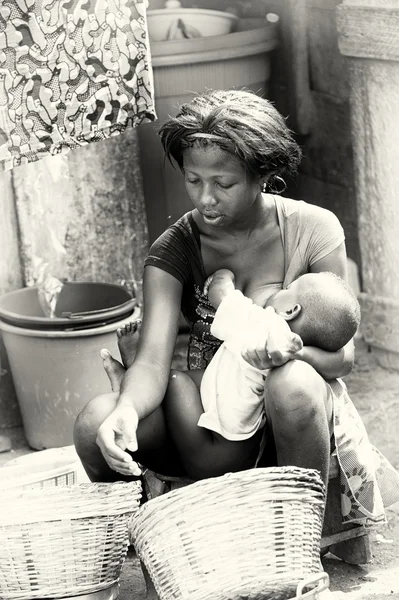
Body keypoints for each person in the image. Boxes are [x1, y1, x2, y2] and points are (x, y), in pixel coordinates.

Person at [74, 89, 399, 529]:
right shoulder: (174, 250)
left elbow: (344, 355)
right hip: (206, 427)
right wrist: (127, 409)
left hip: (290, 425)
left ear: (261, 175)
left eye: (223, 184)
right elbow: (152, 361)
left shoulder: (313, 230)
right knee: (96, 420)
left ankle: (299, 534)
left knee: (294, 383)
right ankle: (142, 535)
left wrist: (283, 351)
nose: (205, 198)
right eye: (193, 180)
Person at [198, 269, 360, 446]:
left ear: (290, 311)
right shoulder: (289, 350)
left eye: (287, 289)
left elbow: (220, 295)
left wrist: (223, 274)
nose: (278, 291)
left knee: (177, 384)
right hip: (243, 440)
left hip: (219, 443)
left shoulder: (267, 324)